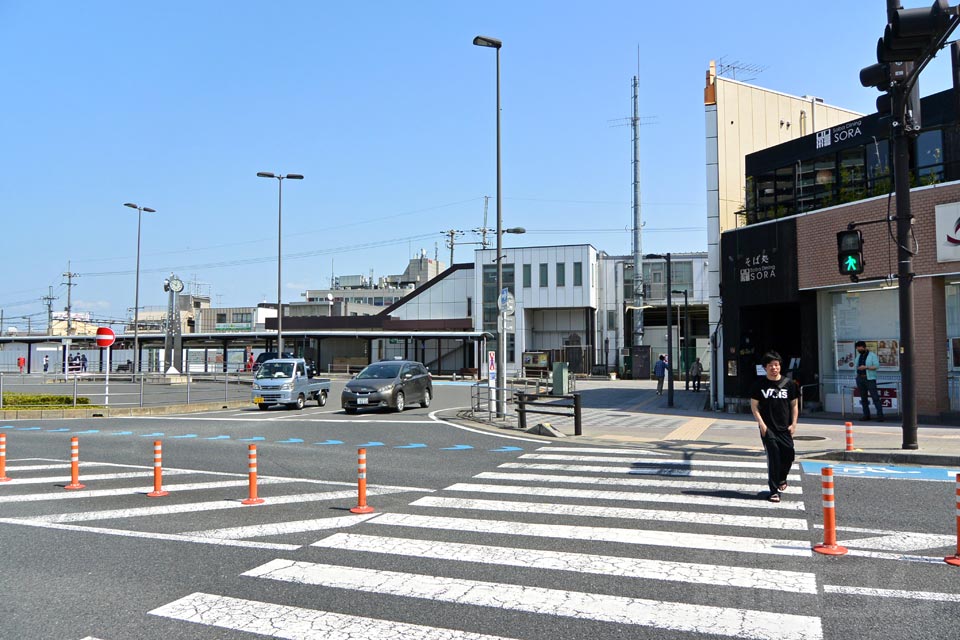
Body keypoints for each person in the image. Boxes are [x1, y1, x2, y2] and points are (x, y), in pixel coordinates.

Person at [750, 351, 798, 504]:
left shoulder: (789, 384)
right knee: (774, 457)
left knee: (789, 454)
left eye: (776, 365)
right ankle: (773, 491)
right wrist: (761, 424)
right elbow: (754, 406)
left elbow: (794, 405)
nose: (774, 368)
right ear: (765, 368)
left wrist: (794, 423)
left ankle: (782, 478)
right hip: (768, 427)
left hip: (784, 427)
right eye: (770, 365)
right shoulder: (759, 385)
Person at [855, 340, 883, 421]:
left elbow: (877, 366)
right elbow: (856, 366)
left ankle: (880, 416)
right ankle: (866, 415)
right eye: (857, 349)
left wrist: (866, 367)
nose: (858, 350)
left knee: (875, 397)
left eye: (859, 349)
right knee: (863, 398)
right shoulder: (858, 356)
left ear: (864, 347)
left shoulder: (872, 355)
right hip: (860, 378)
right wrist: (857, 376)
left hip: (869, 378)